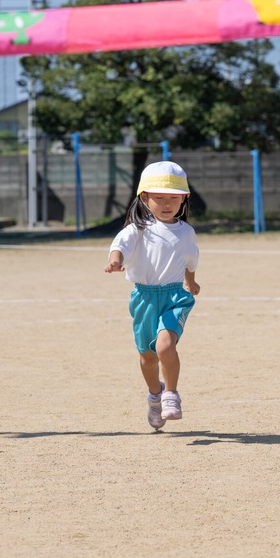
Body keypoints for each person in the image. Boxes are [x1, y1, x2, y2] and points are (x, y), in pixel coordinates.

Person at [104, 161, 200, 431]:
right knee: (147, 357)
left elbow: (190, 261)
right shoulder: (138, 228)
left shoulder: (186, 232)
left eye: (174, 198)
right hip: (144, 299)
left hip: (174, 297)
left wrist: (191, 283)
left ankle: (171, 394)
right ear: (144, 198)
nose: (167, 204)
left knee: (165, 346)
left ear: (184, 199)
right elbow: (118, 245)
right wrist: (115, 260)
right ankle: (155, 395)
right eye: (160, 197)